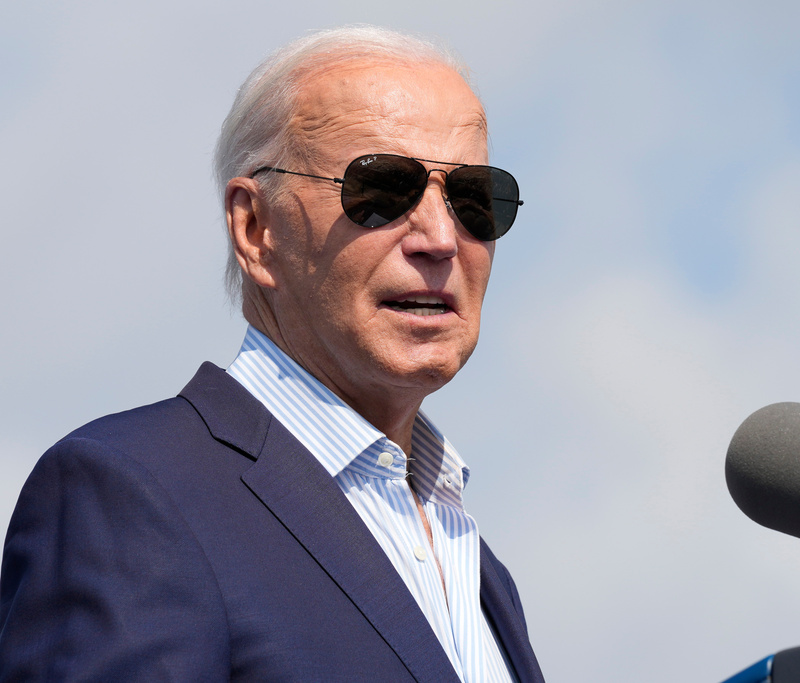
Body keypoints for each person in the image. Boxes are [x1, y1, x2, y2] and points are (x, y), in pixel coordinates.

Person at [0, 26, 543, 682]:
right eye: (382, 191)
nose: (439, 238)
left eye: (473, 199)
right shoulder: (131, 493)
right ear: (256, 229)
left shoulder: (483, 572)